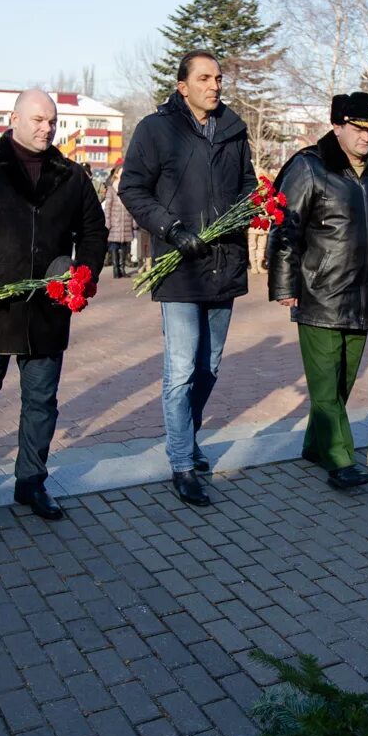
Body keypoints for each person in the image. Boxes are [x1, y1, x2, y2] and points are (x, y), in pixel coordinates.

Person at [0, 90, 107, 520]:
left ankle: (31, 479)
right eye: (36, 119)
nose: (45, 128)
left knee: (41, 400)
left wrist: (82, 274)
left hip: (46, 310)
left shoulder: (71, 176)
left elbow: (94, 232)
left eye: (51, 121)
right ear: (13, 119)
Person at [118, 49, 255, 508]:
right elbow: (131, 188)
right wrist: (171, 229)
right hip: (179, 266)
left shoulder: (234, 129)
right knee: (179, 369)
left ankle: (188, 437)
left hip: (224, 264)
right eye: (204, 78)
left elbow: (248, 186)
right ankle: (181, 461)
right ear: (183, 86)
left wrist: (249, 210)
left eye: (218, 77)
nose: (215, 85)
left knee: (208, 365)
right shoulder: (156, 130)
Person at [268, 92, 368, 490]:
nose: (366, 137)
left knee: (342, 381)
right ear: (338, 125)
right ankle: (342, 458)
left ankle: (315, 443)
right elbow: (285, 228)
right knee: (325, 383)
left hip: (362, 295)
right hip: (320, 292)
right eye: (359, 129)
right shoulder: (310, 167)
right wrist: (284, 284)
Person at [102, 162, 138, 278]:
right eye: (121, 172)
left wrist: (134, 222)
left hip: (126, 221)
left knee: (124, 246)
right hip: (115, 222)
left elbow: (132, 206)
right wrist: (107, 223)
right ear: (117, 174)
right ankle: (116, 269)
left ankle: (122, 269)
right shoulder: (111, 189)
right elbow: (108, 207)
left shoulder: (128, 188)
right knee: (114, 245)